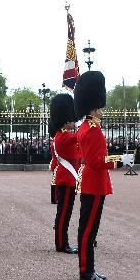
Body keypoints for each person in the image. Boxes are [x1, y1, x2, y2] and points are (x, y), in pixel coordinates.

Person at [74, 71, 133, 280]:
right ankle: (86, 271)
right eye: (100, 107)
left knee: (89, 229)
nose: (102, 110)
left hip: (92, 181)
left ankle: (87, 268)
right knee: (89, 229)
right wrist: (122, 160)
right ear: (93, 107)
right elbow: (97, 161)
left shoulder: (87, 128)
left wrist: (118, 158)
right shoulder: (92, 131)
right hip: (94, 182)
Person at [49, 93, 79, 255]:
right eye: (72, 120)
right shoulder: (64, 136)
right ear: (66, 120)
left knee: (64, 212)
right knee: (64, 213)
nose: (74, 123)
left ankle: (62, 241)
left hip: (66, 177)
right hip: (67, 178)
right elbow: (80, 137)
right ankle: (62, 243)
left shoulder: (60, 136)